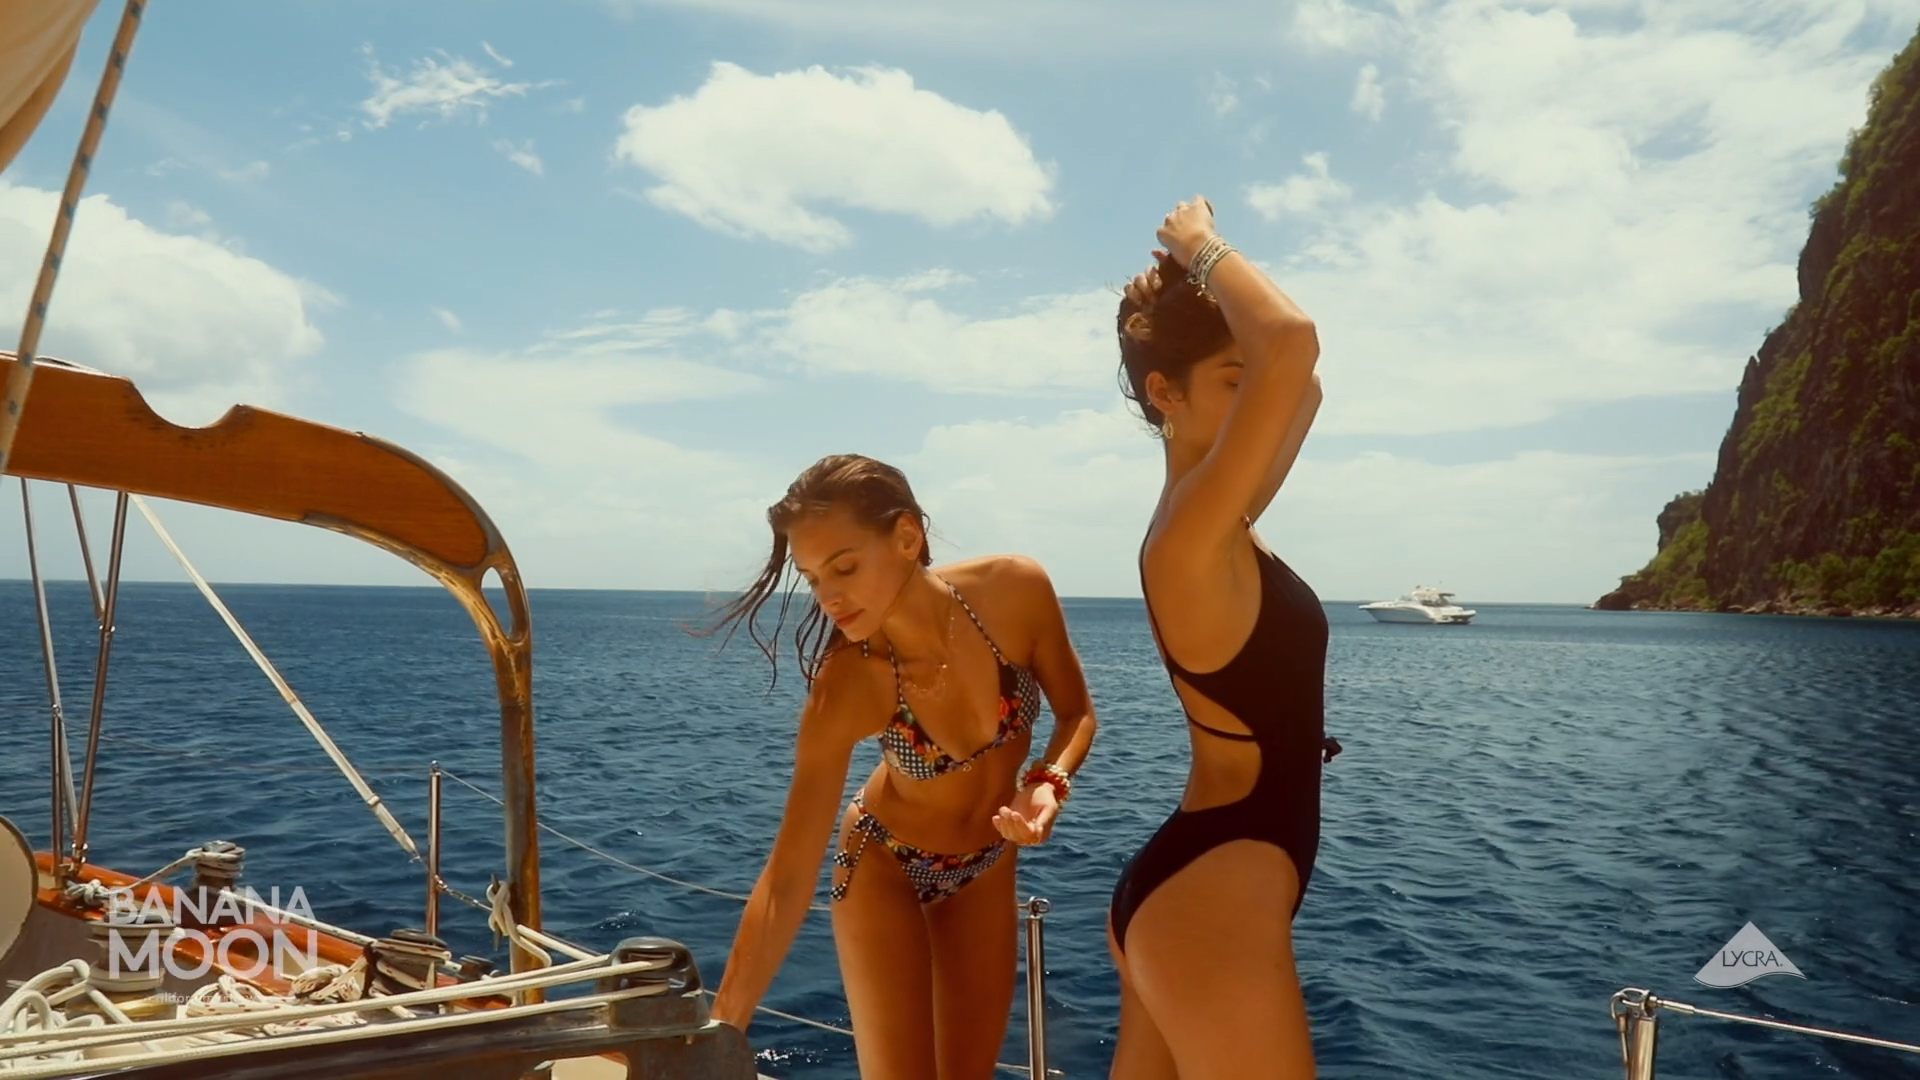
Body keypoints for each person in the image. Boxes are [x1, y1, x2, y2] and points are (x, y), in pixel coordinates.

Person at [702, 453, 1098, 1080]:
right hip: (885, 864)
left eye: (845, 567)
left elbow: (1076, 713)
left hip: (987, 865)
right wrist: (719, 1032)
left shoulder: (1013, 592)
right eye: (812, 578)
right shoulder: (849, 683)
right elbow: (786, 880)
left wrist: (1048, 782)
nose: (830, 597)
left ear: (908, 537)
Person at [1104, 197, 1340, 1079]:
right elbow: (1294, 342)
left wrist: (1194, 288)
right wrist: (1199, 246)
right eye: (1232, 382)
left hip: (1198, 892)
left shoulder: (1221, 519)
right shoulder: (1190, 534)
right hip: (1210, 907)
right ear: (1165, 394)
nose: (1257, 399)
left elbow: (1302, 384)